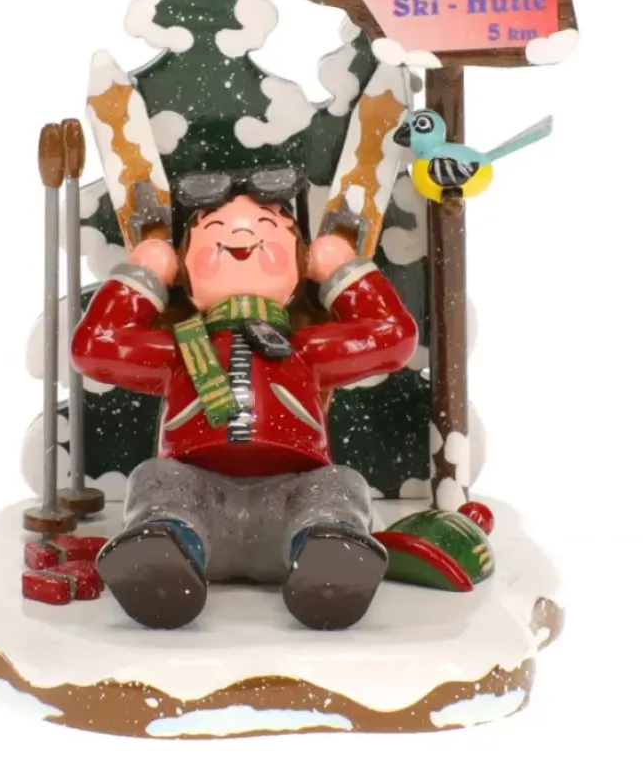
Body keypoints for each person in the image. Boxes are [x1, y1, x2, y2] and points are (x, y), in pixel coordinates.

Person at [71, 167, 418, 630]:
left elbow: (393, 336)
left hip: (292, 508)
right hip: (195, 507)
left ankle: (328, 559)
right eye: (214, 229)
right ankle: (163, 557)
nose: (238, 236)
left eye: (267, 228)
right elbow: (94, 346)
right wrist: (145, 273)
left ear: (302, 262)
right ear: (183, 269)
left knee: (340, 485)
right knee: (156, 479)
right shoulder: (179, 351)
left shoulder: (306, 350)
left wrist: (340, 269)